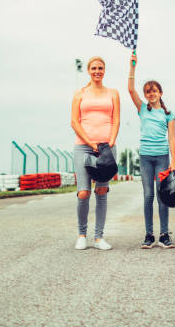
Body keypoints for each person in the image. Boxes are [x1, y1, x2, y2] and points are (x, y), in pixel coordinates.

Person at [128, 53, 175, 249]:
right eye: (148, 92)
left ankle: (164, 234)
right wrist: (133, 66)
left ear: (160, 93)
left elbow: (172, 138)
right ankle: (149, 234)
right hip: (146, 157)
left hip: (162, 157)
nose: (151, 94)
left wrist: (173, 161)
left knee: (161, 194)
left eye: (154, 91)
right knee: (148, 195)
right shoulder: (142, 109)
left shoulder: (168, 114)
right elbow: (130, 89)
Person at [71, 56, 120, 250]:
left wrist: (112, 141)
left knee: (101, 190)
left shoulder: (113, 93)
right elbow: (74, 122)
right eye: (94, 68)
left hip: (106, 148)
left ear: (104, 70)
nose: (97, 71)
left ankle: (99, 237)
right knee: (84, 192)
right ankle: (82, 234)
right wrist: (89, 142)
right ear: (89, 71)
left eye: (100, 68)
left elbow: (116, 119)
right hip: (83, 147)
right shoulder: (79, 94)